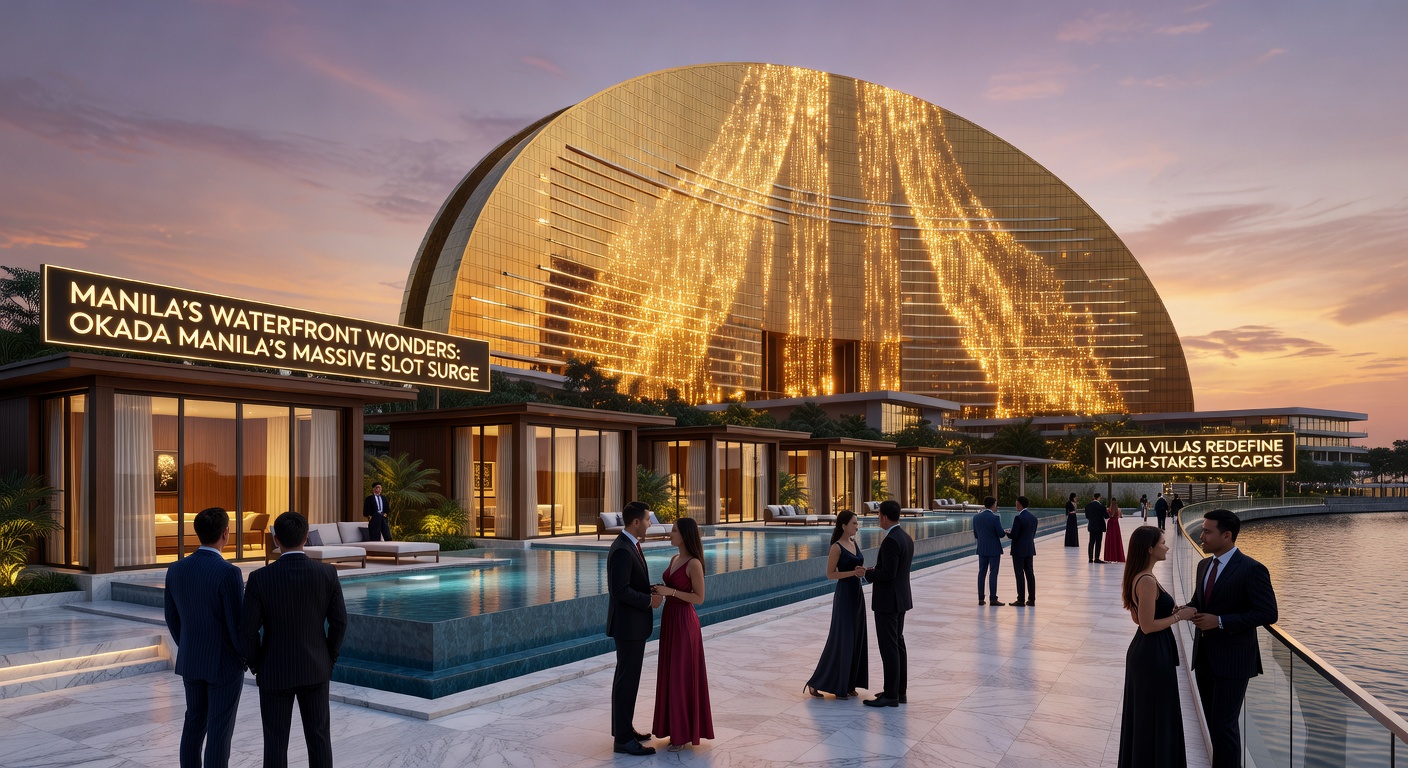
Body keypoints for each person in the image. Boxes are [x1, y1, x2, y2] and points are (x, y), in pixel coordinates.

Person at [239, 512, 347, 768]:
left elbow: (246, 631)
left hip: (274, 670)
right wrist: (328, 658)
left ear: (276, 540)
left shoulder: (260, 578)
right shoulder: (326, 574)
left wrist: (257, 664)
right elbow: (340, 623)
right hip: (315, 668)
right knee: (319, 739)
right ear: (306, 538)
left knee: (275, 742)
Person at [1188, 509, 1279, 768]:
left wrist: (1219, 621)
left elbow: (1268, 613)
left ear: (1227, 535)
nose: (1201, 536)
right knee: (1214, 726)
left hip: (1234, 662)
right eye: (1203, 530)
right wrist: (1186, 609)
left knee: (1224, 727)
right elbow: (1199, 601)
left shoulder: (1252, 569)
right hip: (1204, 658)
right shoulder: (1203, 565)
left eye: (1207, 531)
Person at [164, 507, 245, 768]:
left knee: (194, 725)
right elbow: (236, 624)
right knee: (219, 731)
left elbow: (172, 618)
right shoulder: (228, 572)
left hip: (192, 659)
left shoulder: (176, 569)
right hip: (224, 664)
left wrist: (188, 646)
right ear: (225, 534)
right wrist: (243, 657)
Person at [1117, 525, 1195, 768]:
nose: (1167, 546)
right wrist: (1179, 617)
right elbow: (1147, 626)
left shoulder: (1138, 576)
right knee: (1157, 714)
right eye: (1162, 542)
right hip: (1152, 654)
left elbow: (1137, 618)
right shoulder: (1147, 581)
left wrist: (1171, 611)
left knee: (1145, 715)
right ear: (1150, 549)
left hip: (1145, 653)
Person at [650, 517, 714, 752]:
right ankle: (672, 728)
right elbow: (672, 591)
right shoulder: (675, 558)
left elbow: (699, 598)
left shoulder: (694, 563)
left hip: (685, 623)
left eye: (674, 531)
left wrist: (671, 591)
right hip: (669, 620)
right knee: (670, 674)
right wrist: (661, 592)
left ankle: (682, 733)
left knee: (680, 676)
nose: (670, 534)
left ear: (685, 535)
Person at [606, 501, 664, 755]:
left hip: (632, 625)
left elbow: (630, 583)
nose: (651, 524)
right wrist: (647, 601)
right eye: (648, 519)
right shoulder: (622, 549)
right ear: (636, 522)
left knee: (628, 680)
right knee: (626, 682)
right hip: (628, 626)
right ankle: (623, 740)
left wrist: (647, 589)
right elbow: (618, 590)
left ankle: (625, 730)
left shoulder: (630, 545)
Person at [806, 510, 868, 699]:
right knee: (842, 639)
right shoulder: (837, 547)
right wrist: (853, 573)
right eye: (854, 524)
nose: (857, 527)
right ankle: (817, 682)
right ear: (844, 526)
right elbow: (830, 574)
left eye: (857, 523)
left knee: (857, 638)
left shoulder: (853, 542)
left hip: (857, 593)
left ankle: (849, 683)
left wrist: (860, 572)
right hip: (844, 595)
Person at [863, 500, 913, 708]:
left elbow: (888, 573)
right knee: (898, 644)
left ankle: (891, 695)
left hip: (888, 602)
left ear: (883, 516)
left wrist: (867, 573)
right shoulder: (905, 537)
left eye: (878, 516)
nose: (878, 519)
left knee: (889, 647)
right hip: (900, 599)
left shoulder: (891, 540)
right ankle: (899, 691)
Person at [973, 496, 1006, 606]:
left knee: (981, 572)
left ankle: (981, 598)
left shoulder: (976, 518)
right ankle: (993, 598)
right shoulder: (995, 518)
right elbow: (1001, 534)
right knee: (993, 573)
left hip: (982, 548)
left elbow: (976, 535)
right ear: (993, 505)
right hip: (994, 549)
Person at [1006, 496, 1037, 607]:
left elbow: (1014, 535)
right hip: (1029, 549)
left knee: (1019, 574)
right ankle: (1032, 599)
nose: (1016, 505)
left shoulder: (1018, 518)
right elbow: (1031, 534)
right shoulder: (1033, 518)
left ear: (1019, 504)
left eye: (1016, 503)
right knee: (1030, 574)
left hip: (1018, 550)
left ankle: (1021, 600)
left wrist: (1007, 532)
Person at [1085, 492, 1109, 563]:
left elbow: (1087, 516)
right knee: (1098, 542)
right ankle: (1096, 558)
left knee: (1091, 542)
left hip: (1092, 526)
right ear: (1099, 497)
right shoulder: (1101, 506)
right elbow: (1106, 516)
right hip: (1099, 526)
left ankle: (1090, 558)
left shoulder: (1088, 506)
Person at [1104, 498, 1126, 563]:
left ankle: (1110, 557)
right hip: (1116, 523)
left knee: (1110, 539)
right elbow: (1120, 516)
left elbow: (1108, 516)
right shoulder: (1118, 509)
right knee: (1116, 539)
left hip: (1110, 523)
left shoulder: (1109, 509)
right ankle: (1117, 556)